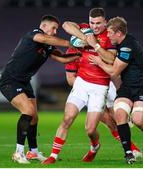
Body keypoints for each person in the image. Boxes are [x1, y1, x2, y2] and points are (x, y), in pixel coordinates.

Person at [0, 14, 81, 164]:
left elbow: (63, 59)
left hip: (24, 82)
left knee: (34, 117)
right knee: (28, 112)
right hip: (10, 81)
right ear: (44, 26)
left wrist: (80, 54)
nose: (56, 31)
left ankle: (33, 153)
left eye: (57, 28)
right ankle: (18, 153)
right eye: (54, 28)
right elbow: (44, 39)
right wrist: (71, 43)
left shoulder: (47, 45)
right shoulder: (34, 34)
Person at [42, 7, 117, 164]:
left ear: (105, 22)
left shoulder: (109, 36)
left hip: (100, 86)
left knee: (90, 129)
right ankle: (53, 156)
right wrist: (84, 37)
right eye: (92, 22)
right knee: (67, 118)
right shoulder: (85, 29)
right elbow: (67, 25)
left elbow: (111, 60)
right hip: (82, 83)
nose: (94, 26)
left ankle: (94, 147)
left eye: (98, 23)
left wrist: (95, 45)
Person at [89, 16, 143, 164]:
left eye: (110, 32)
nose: (108, 35)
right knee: (120, 114)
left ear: (119, 33)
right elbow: (128, 60)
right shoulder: (124, 42)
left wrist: (98, 59)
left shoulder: (127, 47)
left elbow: (114, 72)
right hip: (128, 87)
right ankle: (128, 153)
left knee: (138, 120)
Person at [64, 48, 143, 160]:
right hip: (87, 89)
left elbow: (117, 62)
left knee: (117, 118)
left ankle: (131, 148)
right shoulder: (72, 53)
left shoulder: (98, 45)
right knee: (108, 121)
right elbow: (70, 79)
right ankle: (132, 148)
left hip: (105, 85)